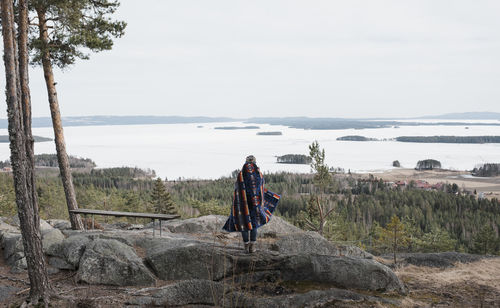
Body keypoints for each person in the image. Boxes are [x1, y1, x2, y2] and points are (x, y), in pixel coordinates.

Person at [223, 155, 280, 253]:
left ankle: (246, 246)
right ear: (255, 162)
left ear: (246, 162)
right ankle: (252, 247)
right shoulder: (259, 174)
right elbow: (260, 189)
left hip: (242, 204)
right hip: (255, 204)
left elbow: (237, 189)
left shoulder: (241, 174)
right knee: (254, 224)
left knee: (244, 224)